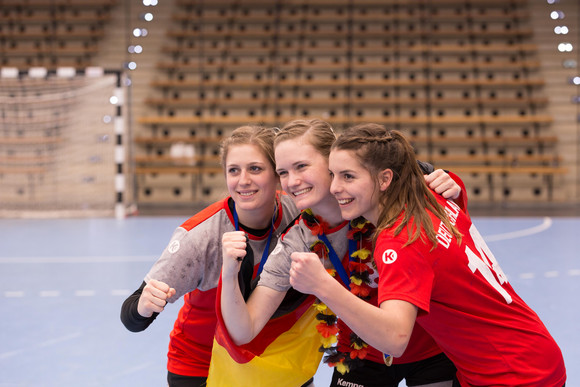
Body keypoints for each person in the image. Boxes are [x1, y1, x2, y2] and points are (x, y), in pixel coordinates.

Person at [288, 123, 567, 386]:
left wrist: (322, 285)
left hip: (509, 373)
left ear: (385, 179)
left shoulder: (400, 239)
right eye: (333, 174)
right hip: (524, 354)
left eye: (348, 176)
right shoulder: (430, 197)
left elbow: (394, 337)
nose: (335, 187)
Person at [220, 119, 463, 387]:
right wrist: (230, 273)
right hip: (362, 354)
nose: (292, 182)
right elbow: (245, 329)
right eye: (283, 172)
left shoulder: (386, 202)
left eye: (301, 166)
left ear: (332, 161)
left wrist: (451, 188)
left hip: (432, 347)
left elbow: (456, 244)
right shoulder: (298, 241)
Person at [120, 125, 303, 386]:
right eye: (234, 170)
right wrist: (144, 305)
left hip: (268, 361)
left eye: (255, 168)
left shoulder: (297, 213)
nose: (243, 180)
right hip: (202, 365)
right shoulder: (200, 236)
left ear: (277, 174)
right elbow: (131, 318)